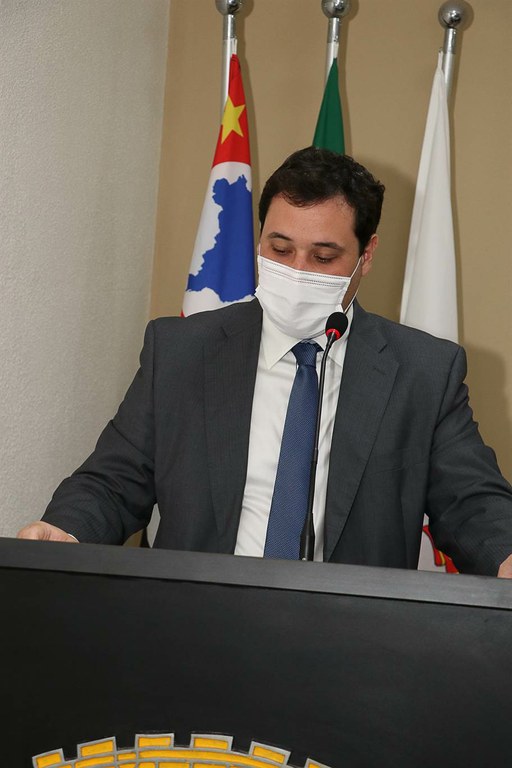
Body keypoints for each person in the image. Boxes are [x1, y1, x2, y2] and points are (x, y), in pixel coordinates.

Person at [18, 147, 512, 577]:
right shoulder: (181, 351)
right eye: (280, 248)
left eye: (323, 257)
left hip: (353, 635)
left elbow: (471, 501)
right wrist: (65, 529)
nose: (297, 271)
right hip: (195, 626)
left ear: (366, 255)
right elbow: (114, 480)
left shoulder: (424, 371)